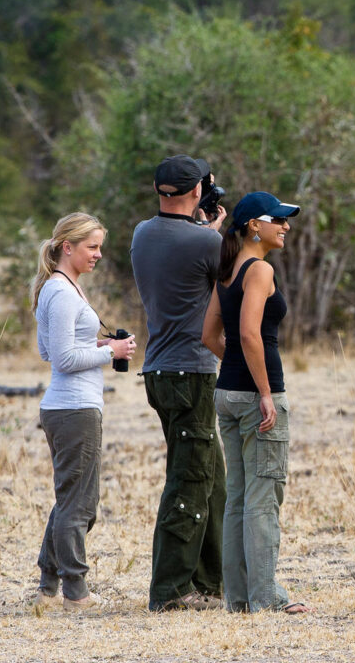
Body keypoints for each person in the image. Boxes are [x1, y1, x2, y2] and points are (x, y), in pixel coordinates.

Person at [201, 191, 311, 614]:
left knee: (239, 498)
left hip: (226, 395)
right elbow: (248, 334)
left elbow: (210, 336)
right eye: (278, 220)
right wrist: (264, 392)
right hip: (254, 399)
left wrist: (235, 373)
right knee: (263, 499)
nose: (285, 227)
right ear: (253, 226)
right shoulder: (259, 269)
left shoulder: (227, 270)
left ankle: (239, 598)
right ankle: (266, 598)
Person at [130, 155, 228, 612]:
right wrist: (214, 233)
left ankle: (212, 581)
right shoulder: (205, 243)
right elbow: (227, 280)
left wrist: (204, 228)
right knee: (189, 480)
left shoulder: (141, 233)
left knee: (211, 477)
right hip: (191, 371)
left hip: (160, 369)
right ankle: (170, 590)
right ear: (198, 192)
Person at [31, 212, 136, 612]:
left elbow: (50, 349)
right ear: (67, 247)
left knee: (70, 498)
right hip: (73, 407)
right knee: (80, 504)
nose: (98, 254)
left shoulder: (63, 288)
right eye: (91, 247)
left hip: (72, 406)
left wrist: (95, 344)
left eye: (99, 247)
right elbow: (60, 358)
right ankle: (76, 592)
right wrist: (110, 351)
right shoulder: (60, 292)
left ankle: (47, 585)